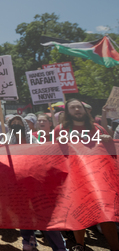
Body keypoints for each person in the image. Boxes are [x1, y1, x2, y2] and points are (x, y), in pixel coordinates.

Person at [53, 99, 117, 251]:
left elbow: (112, 154)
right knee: (79, 213)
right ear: (68, 112)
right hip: (74, 178)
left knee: (106, 215)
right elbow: (52, 155)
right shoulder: (60, 129)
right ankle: (79, 245)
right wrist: (58, 144)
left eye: (79, 107)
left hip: (99, 179)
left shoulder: (98, 128)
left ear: (85, 110)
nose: (77, 109)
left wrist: (109, 141)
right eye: (73, 107)